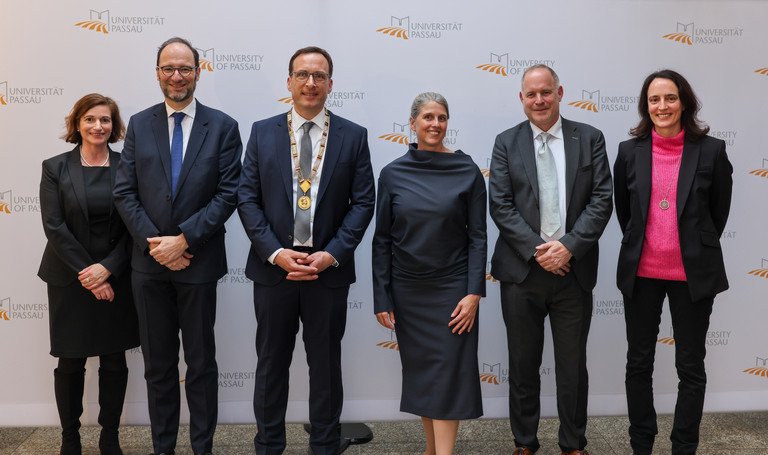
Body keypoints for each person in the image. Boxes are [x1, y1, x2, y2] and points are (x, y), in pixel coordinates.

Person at [238, 46, 375, 455]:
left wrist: (330, 253)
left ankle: (325, 446)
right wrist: (275, 253)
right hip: (274, 269)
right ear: (289, 82)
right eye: (302, 74)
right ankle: (268, 446)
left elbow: (363, 202)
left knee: (326, 368)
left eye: (319, 76)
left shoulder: (353, 135)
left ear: (331, 84)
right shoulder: (262, 132)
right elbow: (247, 198)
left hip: (326, 271)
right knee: (271, 367)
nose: (310, 83)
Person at [113, 37, 242, 455]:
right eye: (168, 68)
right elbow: (125, 192)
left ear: (198, 72)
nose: (176, 76)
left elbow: (228, 193)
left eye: (184, 68)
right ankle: (163, 448)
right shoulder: (139, 123)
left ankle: (202, 447)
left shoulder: (222, 126)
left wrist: (184, 239)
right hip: (148, 269)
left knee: (201, 365)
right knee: (158, 367)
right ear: (157, 73)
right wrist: (158, 246)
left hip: (199, 264)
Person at [488, 64, 613, 455]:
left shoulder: (589, 138)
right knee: (523, 366)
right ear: (521, 99)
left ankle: (573, 444)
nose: (539, 100)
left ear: (560, 93)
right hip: (522, 272)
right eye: (531, 94)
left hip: (573, 272)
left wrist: (569, 246)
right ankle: (524, 442)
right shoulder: (506, 141)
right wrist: (540, 251)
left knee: (573, 368)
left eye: (546, 92)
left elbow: (601, 199)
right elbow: (501, 204)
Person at [614, 69, 733, 455]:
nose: (661, 106)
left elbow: (717, 215)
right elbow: (625, 212)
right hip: (642, 275)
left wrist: (689, 247)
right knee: (638, 364)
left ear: (684, 102)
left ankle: (684, 446)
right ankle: (642, 445)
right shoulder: (628, 152)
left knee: (690, 368)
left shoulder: (712, 150)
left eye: (669, 98)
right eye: (654, 100)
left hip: (691, 277)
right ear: (645, 106)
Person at [372, 92, 486, 455]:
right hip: (408, 292)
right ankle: (431, 449)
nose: (435, 124)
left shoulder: (467, 171)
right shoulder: (392, 173)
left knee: (448, 376)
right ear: (412, 123)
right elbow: (381, 241)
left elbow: (479, 237)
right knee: (423, 376)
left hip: (454, 290)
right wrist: (382, 296)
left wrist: (474, 293)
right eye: (428, 117)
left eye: (442, 117)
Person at [38, 93, 139, 455]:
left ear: (114, 127)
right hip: (69, 278)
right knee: (71, 361)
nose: (98, 126)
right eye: (91, 119)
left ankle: (109, 437)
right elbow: (54, 226)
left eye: (106, 120)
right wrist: (88, 274)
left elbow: (135, 227)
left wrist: (107, 269)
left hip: (117, 276)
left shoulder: (129, 165)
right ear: (77, 123)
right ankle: (70, 438)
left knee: (114, 359)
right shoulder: (55, 167)